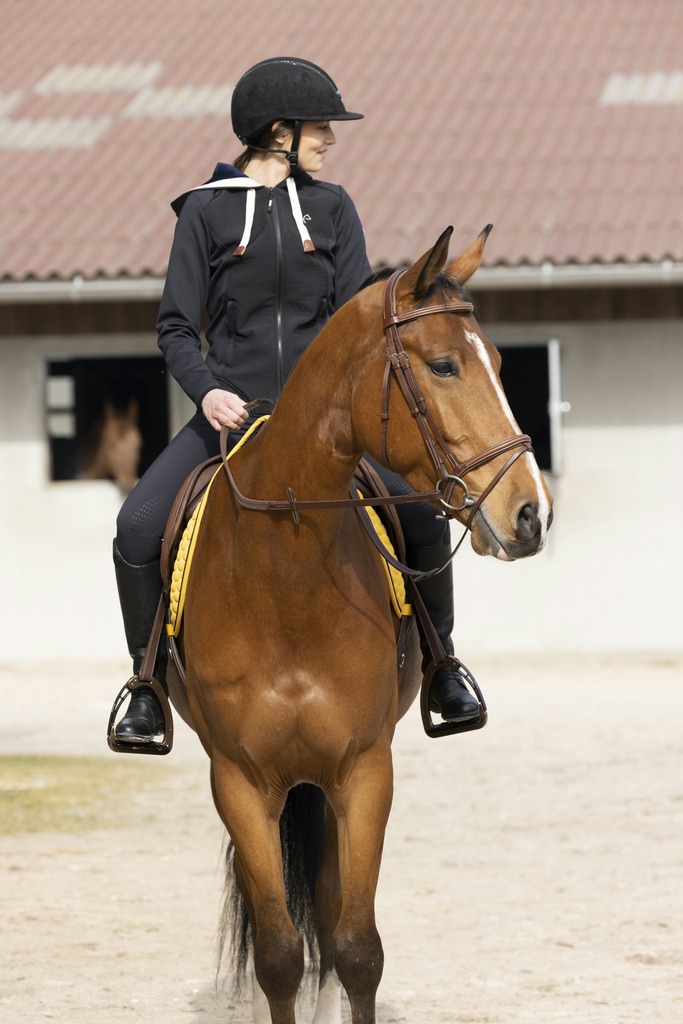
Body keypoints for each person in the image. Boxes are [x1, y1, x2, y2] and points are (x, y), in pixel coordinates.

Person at [112, 56, 480, 746]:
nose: (331, 140)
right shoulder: (204, 211)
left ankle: (442, 665)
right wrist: (208, 391)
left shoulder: (333, 207)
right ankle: (148, 686)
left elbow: (356, 318)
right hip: (230, 417)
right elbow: (175, 328)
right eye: (321, 127)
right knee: (136, 526)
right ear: (279, 132)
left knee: (423, 515)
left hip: (327, 425)